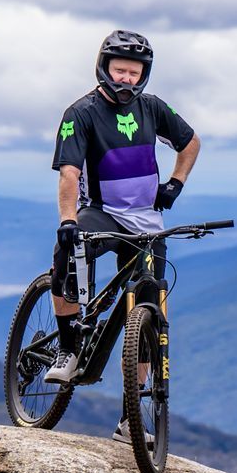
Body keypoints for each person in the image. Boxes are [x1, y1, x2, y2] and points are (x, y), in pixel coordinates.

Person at [44, 30, 200, 440]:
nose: (127, 78)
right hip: (102, 214)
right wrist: (67, 220)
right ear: (104, 68)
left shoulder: (152, 108)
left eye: (134, 72)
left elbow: (190, 143)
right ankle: (67, 347)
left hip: (147, 221)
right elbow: (69, 173)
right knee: (66, 256)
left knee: (149, 312)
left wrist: (175, 184)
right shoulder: (81, 113)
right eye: (120, 70)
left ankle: (130, 420)